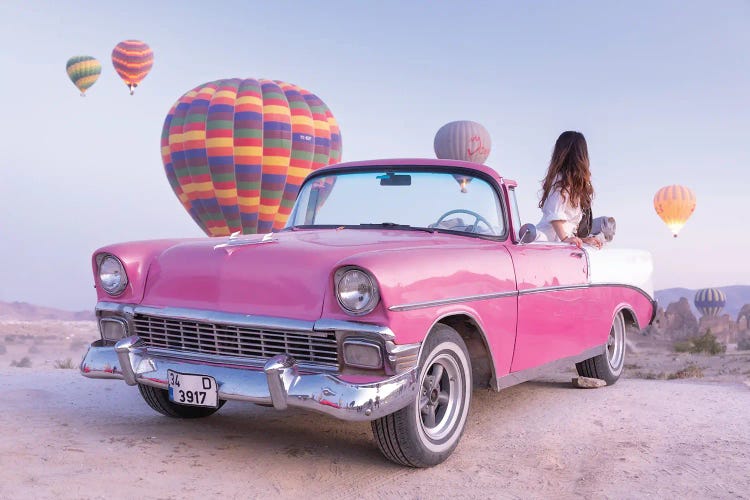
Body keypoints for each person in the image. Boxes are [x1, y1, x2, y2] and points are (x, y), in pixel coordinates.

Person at [536, 131, 603, 249]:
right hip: (547, 242)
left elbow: (567, 225)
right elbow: (555, 214)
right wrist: (565, 239)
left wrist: (582, 240)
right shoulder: (561, 180)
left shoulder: (571, 183)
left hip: (557, 242)